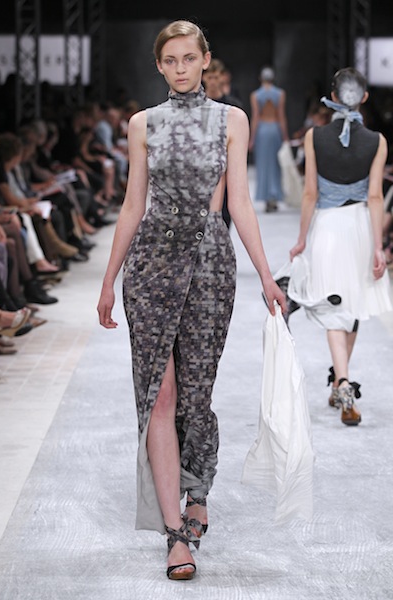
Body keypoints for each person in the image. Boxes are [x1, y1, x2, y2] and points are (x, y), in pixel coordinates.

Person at [97, 20, 286, 581]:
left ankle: (197, 490)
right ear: (159, 66)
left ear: (205, 59)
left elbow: (240, 204)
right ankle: (175, 532)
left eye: (188, 58)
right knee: (159, 396)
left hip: (208, 262)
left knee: (195, 397)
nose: (180, 68)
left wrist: (267, 276)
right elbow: (132, 205)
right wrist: (108, 280)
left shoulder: (232, 119)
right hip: (150, 263)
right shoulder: (142, 123)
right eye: (170, 60)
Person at [289, 67, 392, 427]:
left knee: (335, 307)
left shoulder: (314, 137)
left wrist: (302, 238)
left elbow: (310, 194)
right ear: (364, 98)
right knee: (353, 306)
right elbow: (376, 197)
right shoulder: (377, 141)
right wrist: (378, 246)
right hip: (360, 227)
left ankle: (343, 382)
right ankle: (339, 381)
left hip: (328, 228)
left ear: (332, 96)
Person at [202, 58, 244, 229]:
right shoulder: (196, 107)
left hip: (227, 167)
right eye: (210, 77)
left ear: (223, 78)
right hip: (202, 169)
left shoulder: (234, 107)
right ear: (203, 77)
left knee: (226, 215)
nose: (213, 81)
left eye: (216, 77)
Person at [249, 67, 288, 212]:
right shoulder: (280, 94)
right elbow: (281, 115)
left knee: (263, 164)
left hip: (262, 131)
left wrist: (252, 138)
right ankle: (274, 196)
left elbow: (256, 117)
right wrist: (285, 136)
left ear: (260, 78)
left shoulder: (256, 95)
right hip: (275, 129)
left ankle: (266, 197)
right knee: (275, 165)